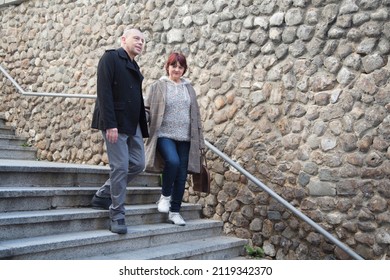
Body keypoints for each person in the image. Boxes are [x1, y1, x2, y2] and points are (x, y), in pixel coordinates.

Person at [90, 28, 149, 234]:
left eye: (143, 40)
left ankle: (103, 193)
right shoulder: (111, 58)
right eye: (136, 38)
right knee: (120, 167)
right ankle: (117, 215)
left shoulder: (134, 64)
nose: (140, 42)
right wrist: (109, 124)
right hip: (115, 123)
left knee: (139, 164)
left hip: (133, 124)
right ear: (123, 39)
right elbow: (104, 93)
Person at [144, 52, 205, 226]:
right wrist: (143, 121)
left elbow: (196, 115)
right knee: (173, 161)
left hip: (186, 137)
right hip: (164, 134)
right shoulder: (158, 86)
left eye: (180, 67)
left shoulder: (189, 88)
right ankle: (164, 196)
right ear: (168, 67)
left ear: (184, 69)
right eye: (174, 66)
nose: (177, 69)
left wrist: (199, 140)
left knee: (181, 175)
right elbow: (147, 109)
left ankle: (175, 211)